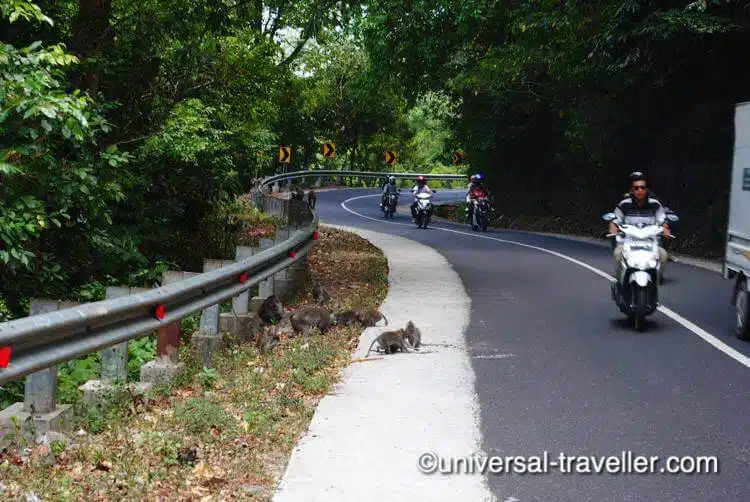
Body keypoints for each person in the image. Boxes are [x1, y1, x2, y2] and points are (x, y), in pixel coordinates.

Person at [609, 172, 670, 281]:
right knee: (618, 254)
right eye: (636, 188)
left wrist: (665, 229)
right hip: (628, 241)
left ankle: (657, 280)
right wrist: (614, 232)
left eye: (642, 187)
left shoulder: (655, 204)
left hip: (651, 241)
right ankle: (620, 281)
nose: (640, 190)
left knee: (663, 255)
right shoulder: (624, 204)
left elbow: (662, 220)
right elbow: (615, 221)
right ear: (632, 190)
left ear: (647, 190)